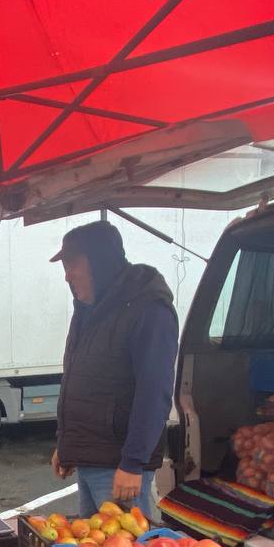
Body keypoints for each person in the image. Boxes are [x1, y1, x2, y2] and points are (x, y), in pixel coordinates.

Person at [49, 221, 179, 519]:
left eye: (72, 265)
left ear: (99, 262)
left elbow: (154, 392)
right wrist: (68, 447)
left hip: (120, 471)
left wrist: (133, 462)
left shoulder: (148, 310)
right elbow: (79, 381)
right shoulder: (88, 309)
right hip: (92, 462)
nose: (66, 275)